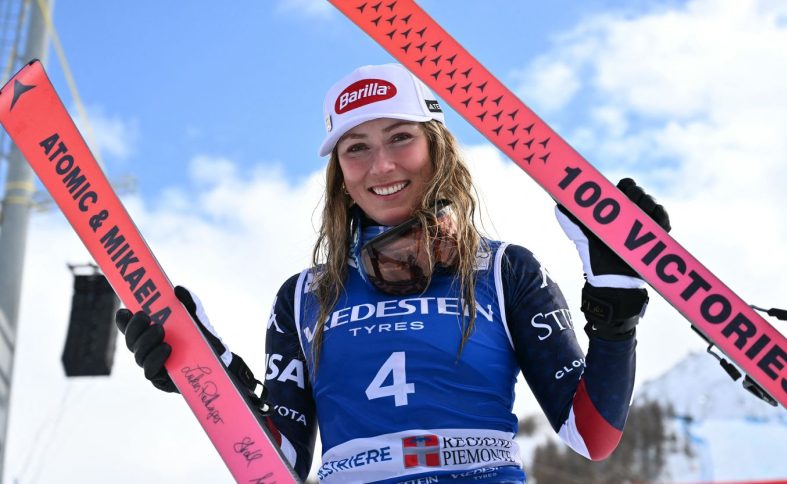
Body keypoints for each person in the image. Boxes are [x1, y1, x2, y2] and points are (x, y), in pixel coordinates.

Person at [115, 63, 671, 483]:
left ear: (437, 148)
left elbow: (591, 435)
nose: (381, 166)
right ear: (340, 174)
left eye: (400, 138)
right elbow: (277, 463)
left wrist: (614, 301)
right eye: (357, 149)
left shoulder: (503, 270)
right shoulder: (305, 296)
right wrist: (209, 377)